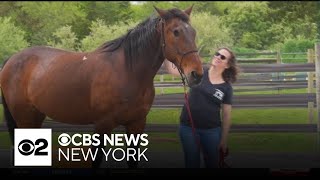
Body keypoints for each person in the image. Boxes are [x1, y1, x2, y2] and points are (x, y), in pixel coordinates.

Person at [164, 47, 239, 168]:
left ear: (227, 65)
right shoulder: (198, 72)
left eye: (223, 57)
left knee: (212, 164)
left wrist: (224, 140)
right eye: (217, 54)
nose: (218, 57)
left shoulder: (227, 87)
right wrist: (167, 55)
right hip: (188, 128)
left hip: (212, 132)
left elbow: (226, 115)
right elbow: (174, 71)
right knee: (191, 163)